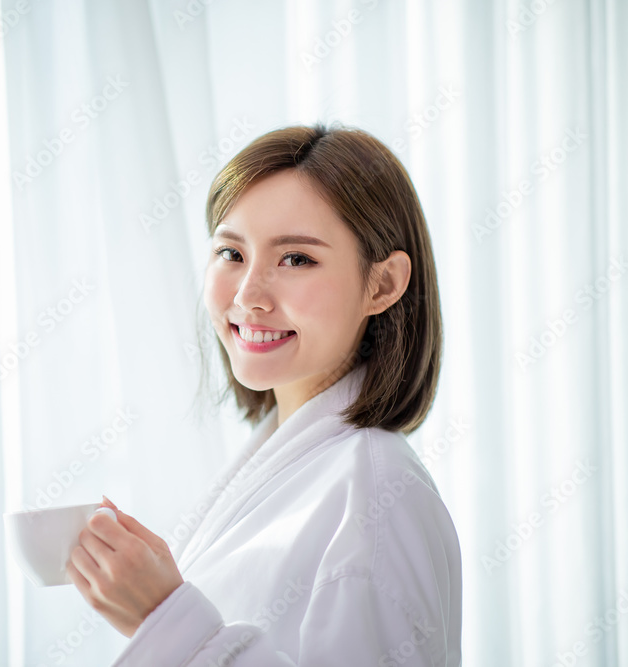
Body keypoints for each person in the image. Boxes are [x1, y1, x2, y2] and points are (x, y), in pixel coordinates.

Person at [66, 123, 462, 666]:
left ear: (383, 285)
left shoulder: (378, 500)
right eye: (231, 253)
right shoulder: (288, 464)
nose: (248, 295)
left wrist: (168, 618)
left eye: (296, 259)